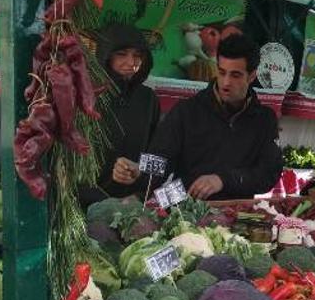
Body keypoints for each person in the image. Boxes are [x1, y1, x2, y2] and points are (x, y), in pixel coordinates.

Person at [114, 33, 282, 201]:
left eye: (235, 75)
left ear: (251, 76)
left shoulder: (265, 119)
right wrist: (140, 170)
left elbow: (268, 173)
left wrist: (223, 180)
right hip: (185, 206)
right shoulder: (186, 111)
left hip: (237, 210)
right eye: (222, 72)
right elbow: (160, 157)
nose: (226, 82)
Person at [78, 23, 161, 208]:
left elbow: (159, 159)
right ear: (106, 55)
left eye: (138, 55)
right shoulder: (85, 95)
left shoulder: (148, 99)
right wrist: (100, 202)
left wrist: (139, 170)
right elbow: (68, 163)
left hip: (132, 207)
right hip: (85, 206)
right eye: (121, 54)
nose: (131, 63)